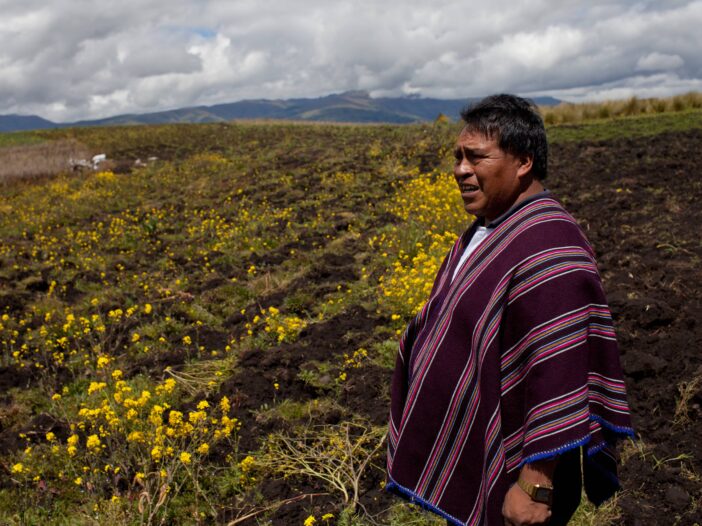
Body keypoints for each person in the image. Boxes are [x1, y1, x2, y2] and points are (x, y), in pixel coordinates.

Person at [386, 94, 633, 526]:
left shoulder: (551, 246)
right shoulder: (489, 228)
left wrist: (534, 486)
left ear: (522, 162)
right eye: (458, 157)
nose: (460, 169)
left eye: (476, 157)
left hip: (518, 471)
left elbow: (558, 372)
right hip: (486, 451)